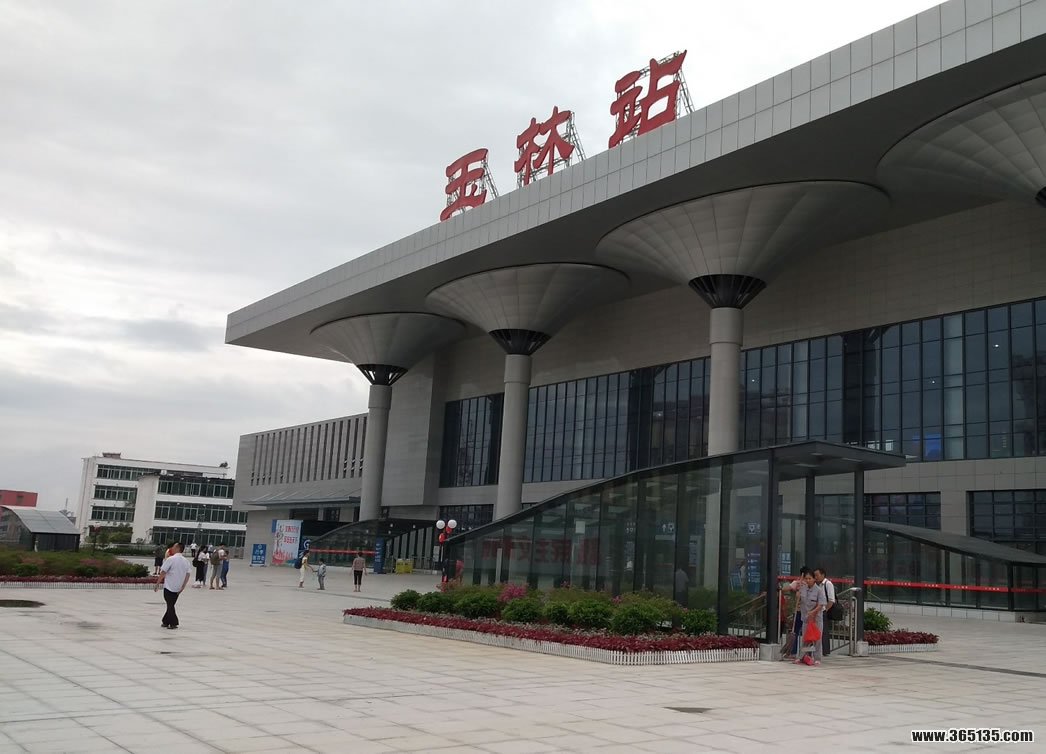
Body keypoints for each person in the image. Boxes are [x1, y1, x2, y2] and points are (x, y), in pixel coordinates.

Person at [154, 542, 191, 629]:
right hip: (178, 586)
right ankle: (165, 621)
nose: (172, 548)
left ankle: (173, 622)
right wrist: (183, 586)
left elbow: (163, 572)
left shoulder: (171, 559)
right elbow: (188, 574)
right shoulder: (186, 561)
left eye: (174, 547)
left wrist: (157, 583)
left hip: (169, 586)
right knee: (170, 604)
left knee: (170, 605)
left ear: (178, 548)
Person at [795, 570, 826, 666]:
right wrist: (798, 593)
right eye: (806, 579)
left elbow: (821, 604)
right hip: (805, 618)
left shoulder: (819, 590)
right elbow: (799, 599)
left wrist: (813, 612)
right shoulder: (803, 588)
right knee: (805, 638)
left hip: (816, 619)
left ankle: (817, 658)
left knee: (817, 639)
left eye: (810, 578)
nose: (808, 580)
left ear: (814, 579)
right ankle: (801, 657)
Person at [779, 566, 810, 658]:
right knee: (795, 632)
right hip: (799, 611)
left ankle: (806, 653)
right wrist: (797, 586)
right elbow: (785, 589)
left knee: (806, 632)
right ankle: (793, 652)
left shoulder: (810, 585)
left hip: (808, 612)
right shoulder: (797, 583)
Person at [814, 566, 837, 656]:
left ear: (823, 575)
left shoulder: (828, 584)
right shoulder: (818, 585)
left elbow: (831, 600)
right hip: (819, 610)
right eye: (815, 575)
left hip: (823, 610)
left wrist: (825, 610)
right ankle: (820, 649)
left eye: (817, 575)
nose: (816, 577)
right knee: (820, 631)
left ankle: (825, 650)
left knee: (824, 631)